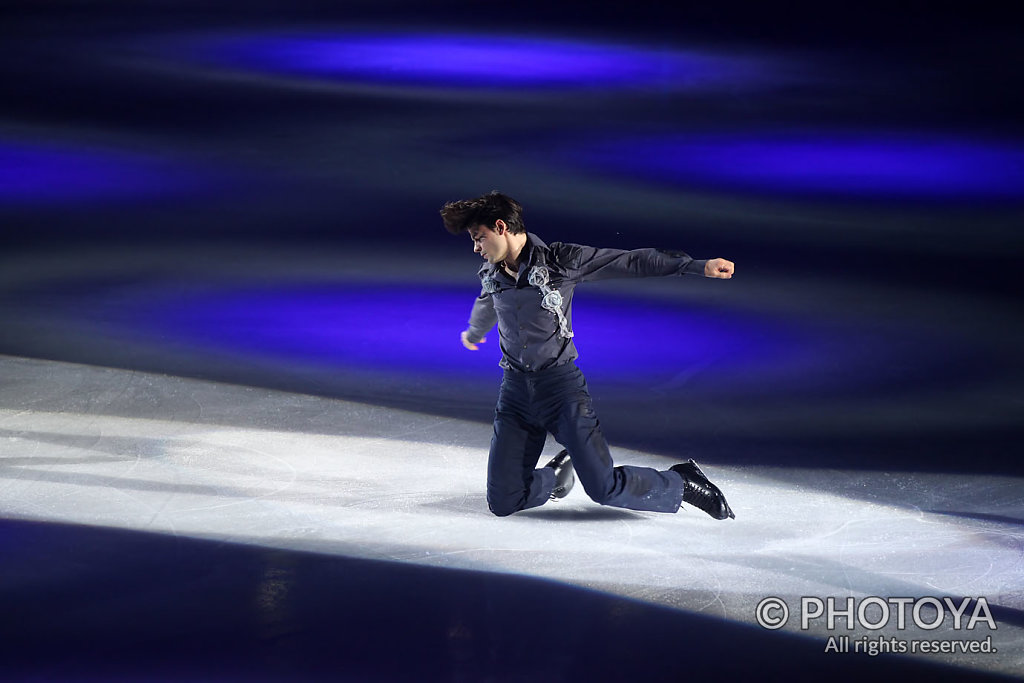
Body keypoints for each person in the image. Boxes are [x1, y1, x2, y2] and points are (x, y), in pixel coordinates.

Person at [441, 190, 735, 520]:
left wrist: (696, 266)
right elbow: (487, 301)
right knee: (504, 501)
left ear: (501, 227)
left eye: (479, 238)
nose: (476, 248)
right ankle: (555, 477)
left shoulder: (561, 260)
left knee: (603, 487)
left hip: (560, 390)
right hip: (515, 394)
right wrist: (474, 332)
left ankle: (681, 481)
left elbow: (631, 262)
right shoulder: (494, 274)